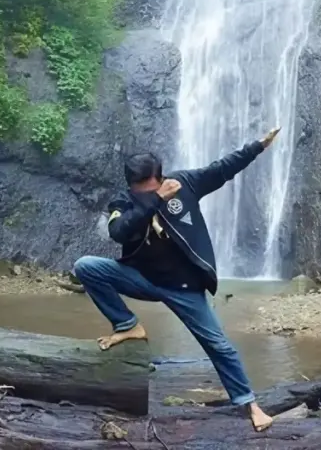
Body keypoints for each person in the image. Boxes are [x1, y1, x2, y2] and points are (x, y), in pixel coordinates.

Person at [73, 127, 282, 432]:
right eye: (142, 189)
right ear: (131, 187)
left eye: (154, 185)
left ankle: (249, 403)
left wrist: (257, 147)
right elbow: (118, 231)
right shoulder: (123, 203)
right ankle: (128, 325)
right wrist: (153, 200)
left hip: (185, 288)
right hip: (141, 279)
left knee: (219, 345)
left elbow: (221, 169)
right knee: (86, 266)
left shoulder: (184, 183)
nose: (149, 190)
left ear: (161, 176)